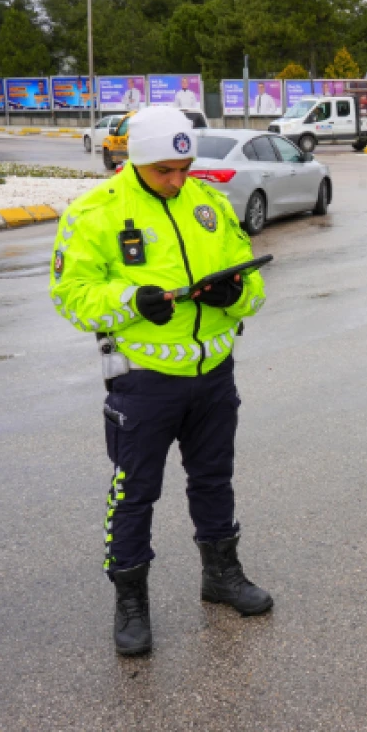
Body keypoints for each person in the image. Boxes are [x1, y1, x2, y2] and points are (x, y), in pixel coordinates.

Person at [49, 106, 273, 656]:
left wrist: (235, 293)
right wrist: (130, 301)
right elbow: (70, 294)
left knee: (215, 479)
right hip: (143, 384)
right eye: (164, 171)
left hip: (214, 374)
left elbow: (252, 277)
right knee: (135, 494)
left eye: (185, 167)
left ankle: (221, 575)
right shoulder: (94, 213)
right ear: (133, 160)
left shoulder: (210, 204)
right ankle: (131, 601)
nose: (177, 181)